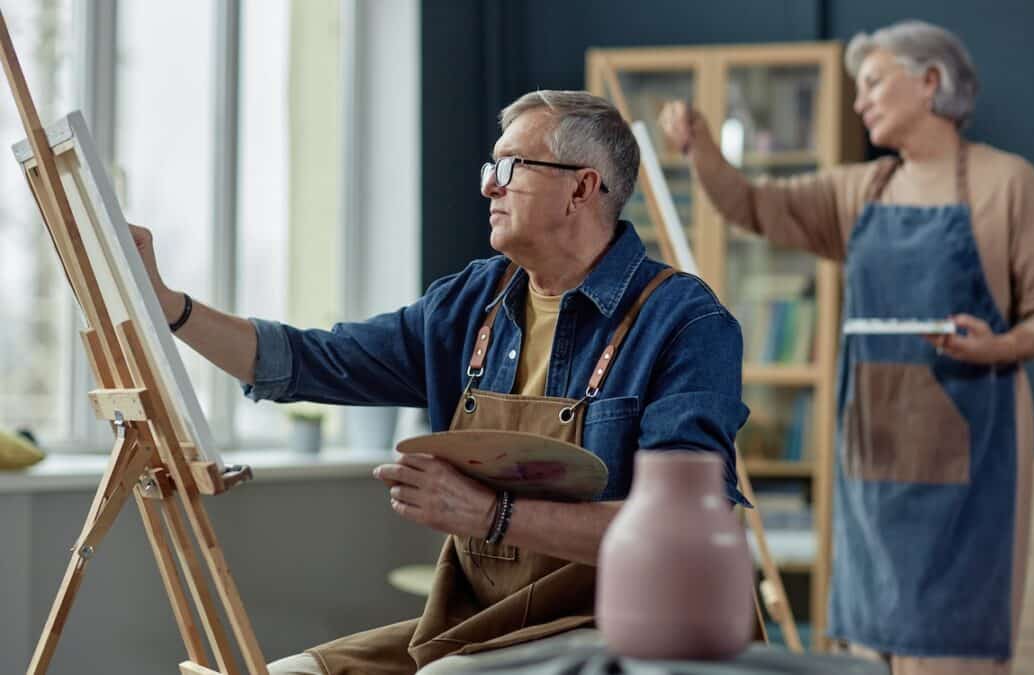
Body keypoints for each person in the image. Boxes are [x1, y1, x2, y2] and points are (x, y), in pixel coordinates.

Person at [133, 89, 749, 675]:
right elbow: (308, 360)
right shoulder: (472, 302)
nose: (487, 184)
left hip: (631, 631)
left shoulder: (686, 322)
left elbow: (683, 533)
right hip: (478, 627)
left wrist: (494, 514)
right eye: (491, 165)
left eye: (510, 167)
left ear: (581, 188)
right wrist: (172, 308)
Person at [659, 19, 1034, 675]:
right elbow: (753, 205)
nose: (860, 102)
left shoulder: (1007, 183)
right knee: (866, 641)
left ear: (931, 81)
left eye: (875, 83)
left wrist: (1003, 344)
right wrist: (702, 147)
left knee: (953, 647)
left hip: (975, 452)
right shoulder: (859, 191)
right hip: (871, 452)